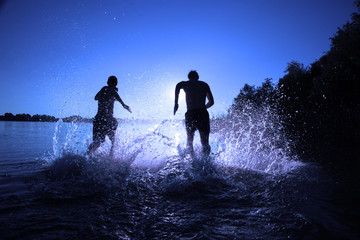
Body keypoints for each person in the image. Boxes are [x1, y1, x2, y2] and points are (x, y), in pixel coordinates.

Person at [87, 76, 131, 155]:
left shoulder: (104, 89)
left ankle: (86, 156)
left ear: (108, 82)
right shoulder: (113, 90)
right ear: (116, 84)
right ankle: (111, 158)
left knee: (97, 142)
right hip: (108, 119)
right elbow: (116, 96)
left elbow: (96, 98)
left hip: (98, 119)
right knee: (113, 142)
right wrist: (123, 104)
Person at [174, 70, 214, 155]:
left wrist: (176, 103)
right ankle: (206, 163)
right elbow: (211, 102)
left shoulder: (186, 84)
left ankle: (192, 162)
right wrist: (203, 107)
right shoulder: (204, 85)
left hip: (191, 113)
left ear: (189, 77)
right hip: (203, 114)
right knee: (205, 141)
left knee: (189, 139)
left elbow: (178, 86)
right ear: (198, 77)